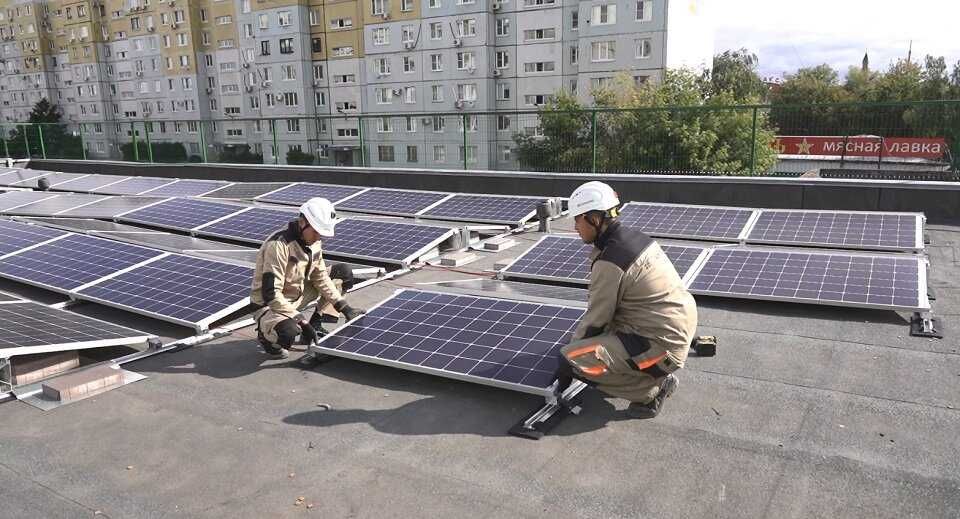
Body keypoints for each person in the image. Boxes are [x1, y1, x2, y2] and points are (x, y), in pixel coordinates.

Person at [556, 181, 698, 418]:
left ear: (594, 218)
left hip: (661, 344)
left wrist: (567, 361)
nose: (575, 226)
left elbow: (595, 321)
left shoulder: (611, 261)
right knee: (596, 341)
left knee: (571, 359)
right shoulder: (632, 238)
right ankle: (640, 372)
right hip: (673, 325)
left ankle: (651, 390)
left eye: (577, 219)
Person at [250, 197, 364, 359]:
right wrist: (301, 321)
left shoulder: (313, 242)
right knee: (288, 332)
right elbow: (271, 295)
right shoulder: (278, 246)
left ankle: (316, 323)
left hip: (298, 293)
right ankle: (267, 336)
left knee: (342, 273)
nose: (319, 237)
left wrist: (344, 307)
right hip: (270, 305)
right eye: (317, 232)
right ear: (303, 222)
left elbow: (320, 277)